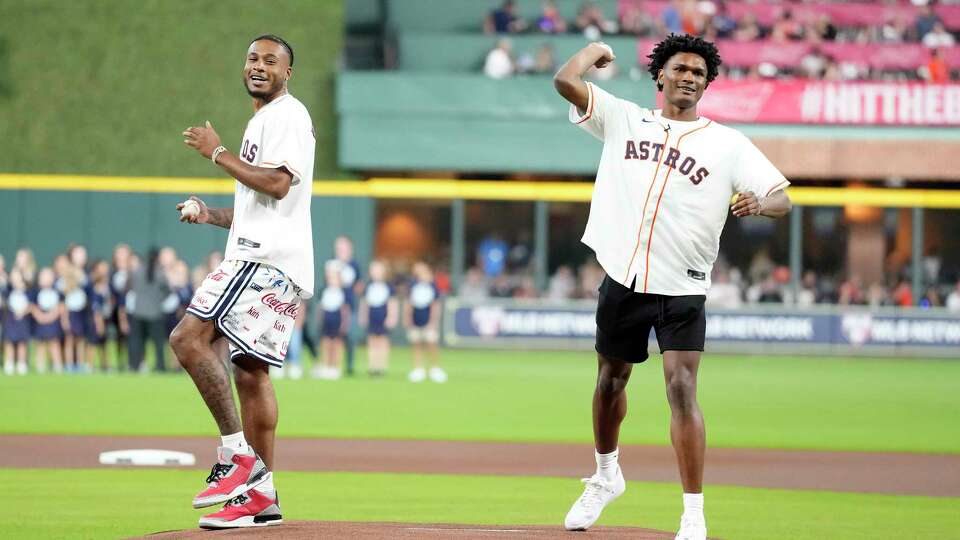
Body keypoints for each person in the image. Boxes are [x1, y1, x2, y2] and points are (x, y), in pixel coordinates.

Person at [553, 35, 792, 539]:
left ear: (707, 84)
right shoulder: (623, 118)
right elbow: (565, 82)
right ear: (660, 75)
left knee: (682, 389)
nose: (689, 77)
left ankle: (693, 513)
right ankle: (605, 475)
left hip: (683, 286)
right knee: (609, 382)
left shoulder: (728, 144)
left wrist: (759, 204)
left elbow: (781, 198)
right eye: (680, 69)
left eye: (699, 73)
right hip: (623, 277)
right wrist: (595, 51)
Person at [173, 34, 313, 529]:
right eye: (253, 58)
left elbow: (277, 182)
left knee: (188, 338)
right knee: (251, 373)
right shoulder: (266, 119)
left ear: (287, 72)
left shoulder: (287, 115)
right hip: (279, 260)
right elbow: (265, 206)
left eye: (271, 61)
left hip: (263, 261)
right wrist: (210, 213)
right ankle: (262, 497)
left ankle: (240, 460)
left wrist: (218, 153)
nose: (259, 66)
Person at [127, 249, 170, 372]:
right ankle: (160, 366)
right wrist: (159, 299)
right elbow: (167, 291)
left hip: (138, 311)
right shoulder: (160, 273)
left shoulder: (137, 272)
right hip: (155, 312)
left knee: (136, 341)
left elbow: (132, 287)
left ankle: (134, 365)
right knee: (158, 343)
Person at [404, 262, 446, 383]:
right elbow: (409, 303)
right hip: (416, 319)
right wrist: (408, 318)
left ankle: (435, 368)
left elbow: (435, 305)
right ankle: (418, 369)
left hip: (428, 320)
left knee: (431, 343)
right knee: (416, 344)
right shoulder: (412, 285)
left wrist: (433, 321)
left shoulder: (432, 285)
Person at [360, 260, 397, 377]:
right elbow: (364, 303)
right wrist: (363, 316)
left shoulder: (388, 287)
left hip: (383, 317)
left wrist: (391, 317)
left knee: (383, 342)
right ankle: (373, 367)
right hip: (372, 317)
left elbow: (392, 303)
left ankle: (382, 367)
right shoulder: (368, 286)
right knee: (372, 342)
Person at [314, 261, 348, 380]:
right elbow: (320, 308)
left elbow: (345, 310)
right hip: (326, 320)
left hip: (337, 320)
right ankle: (326, 366)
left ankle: (335, 367)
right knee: (326, 343)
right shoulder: (324, 290)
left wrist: (344, 324)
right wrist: (320, 319)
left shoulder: (343, 292)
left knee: (336, 344)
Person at [31, 267, 64, 374]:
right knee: (40, 344)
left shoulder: (57, 291)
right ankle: (40, 365)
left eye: (48, 276)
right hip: (40, 322)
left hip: (53, 321)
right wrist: (40, 316)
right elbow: (33, 306)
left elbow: (60, 306)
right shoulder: (36, 292)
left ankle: (57, 365)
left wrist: (51, 316)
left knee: (54, 343)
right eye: (44, 276)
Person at [2, 268, 31, 375]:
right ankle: (9, 363)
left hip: (23, 321)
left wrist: (23, 311)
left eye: (17, 276)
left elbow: (31, 304)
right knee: (9, 342)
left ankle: (21, 364)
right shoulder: (8, 290)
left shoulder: (28, 291)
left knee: (22, 343)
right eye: (13, 276)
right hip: (10, 321)